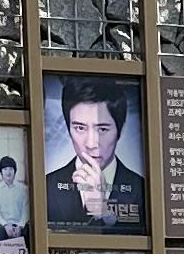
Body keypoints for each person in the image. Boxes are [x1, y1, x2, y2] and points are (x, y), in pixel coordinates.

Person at [47, 86, 144, 230]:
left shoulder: (142, 190)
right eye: (80, 128)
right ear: (69, 129)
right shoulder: (46, 186)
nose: (91, 144)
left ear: (121, 129)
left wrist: (101, 211)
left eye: (102, 129)